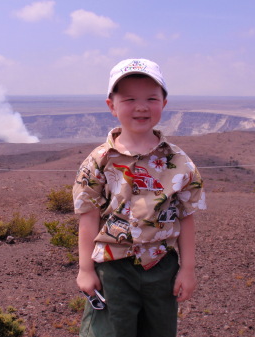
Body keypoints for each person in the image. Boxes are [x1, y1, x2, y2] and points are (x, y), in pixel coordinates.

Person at [73, 58, 206, 337]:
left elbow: (186, 217)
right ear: (112, 106)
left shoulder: (179, 162)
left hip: (162, 268)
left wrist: (187, 269)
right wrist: (86, 269)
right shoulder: (98, 161)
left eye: (151, 98)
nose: (141, 106)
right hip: (113, 269)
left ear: (164, 103)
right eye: (130, 98)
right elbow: (88, 216)